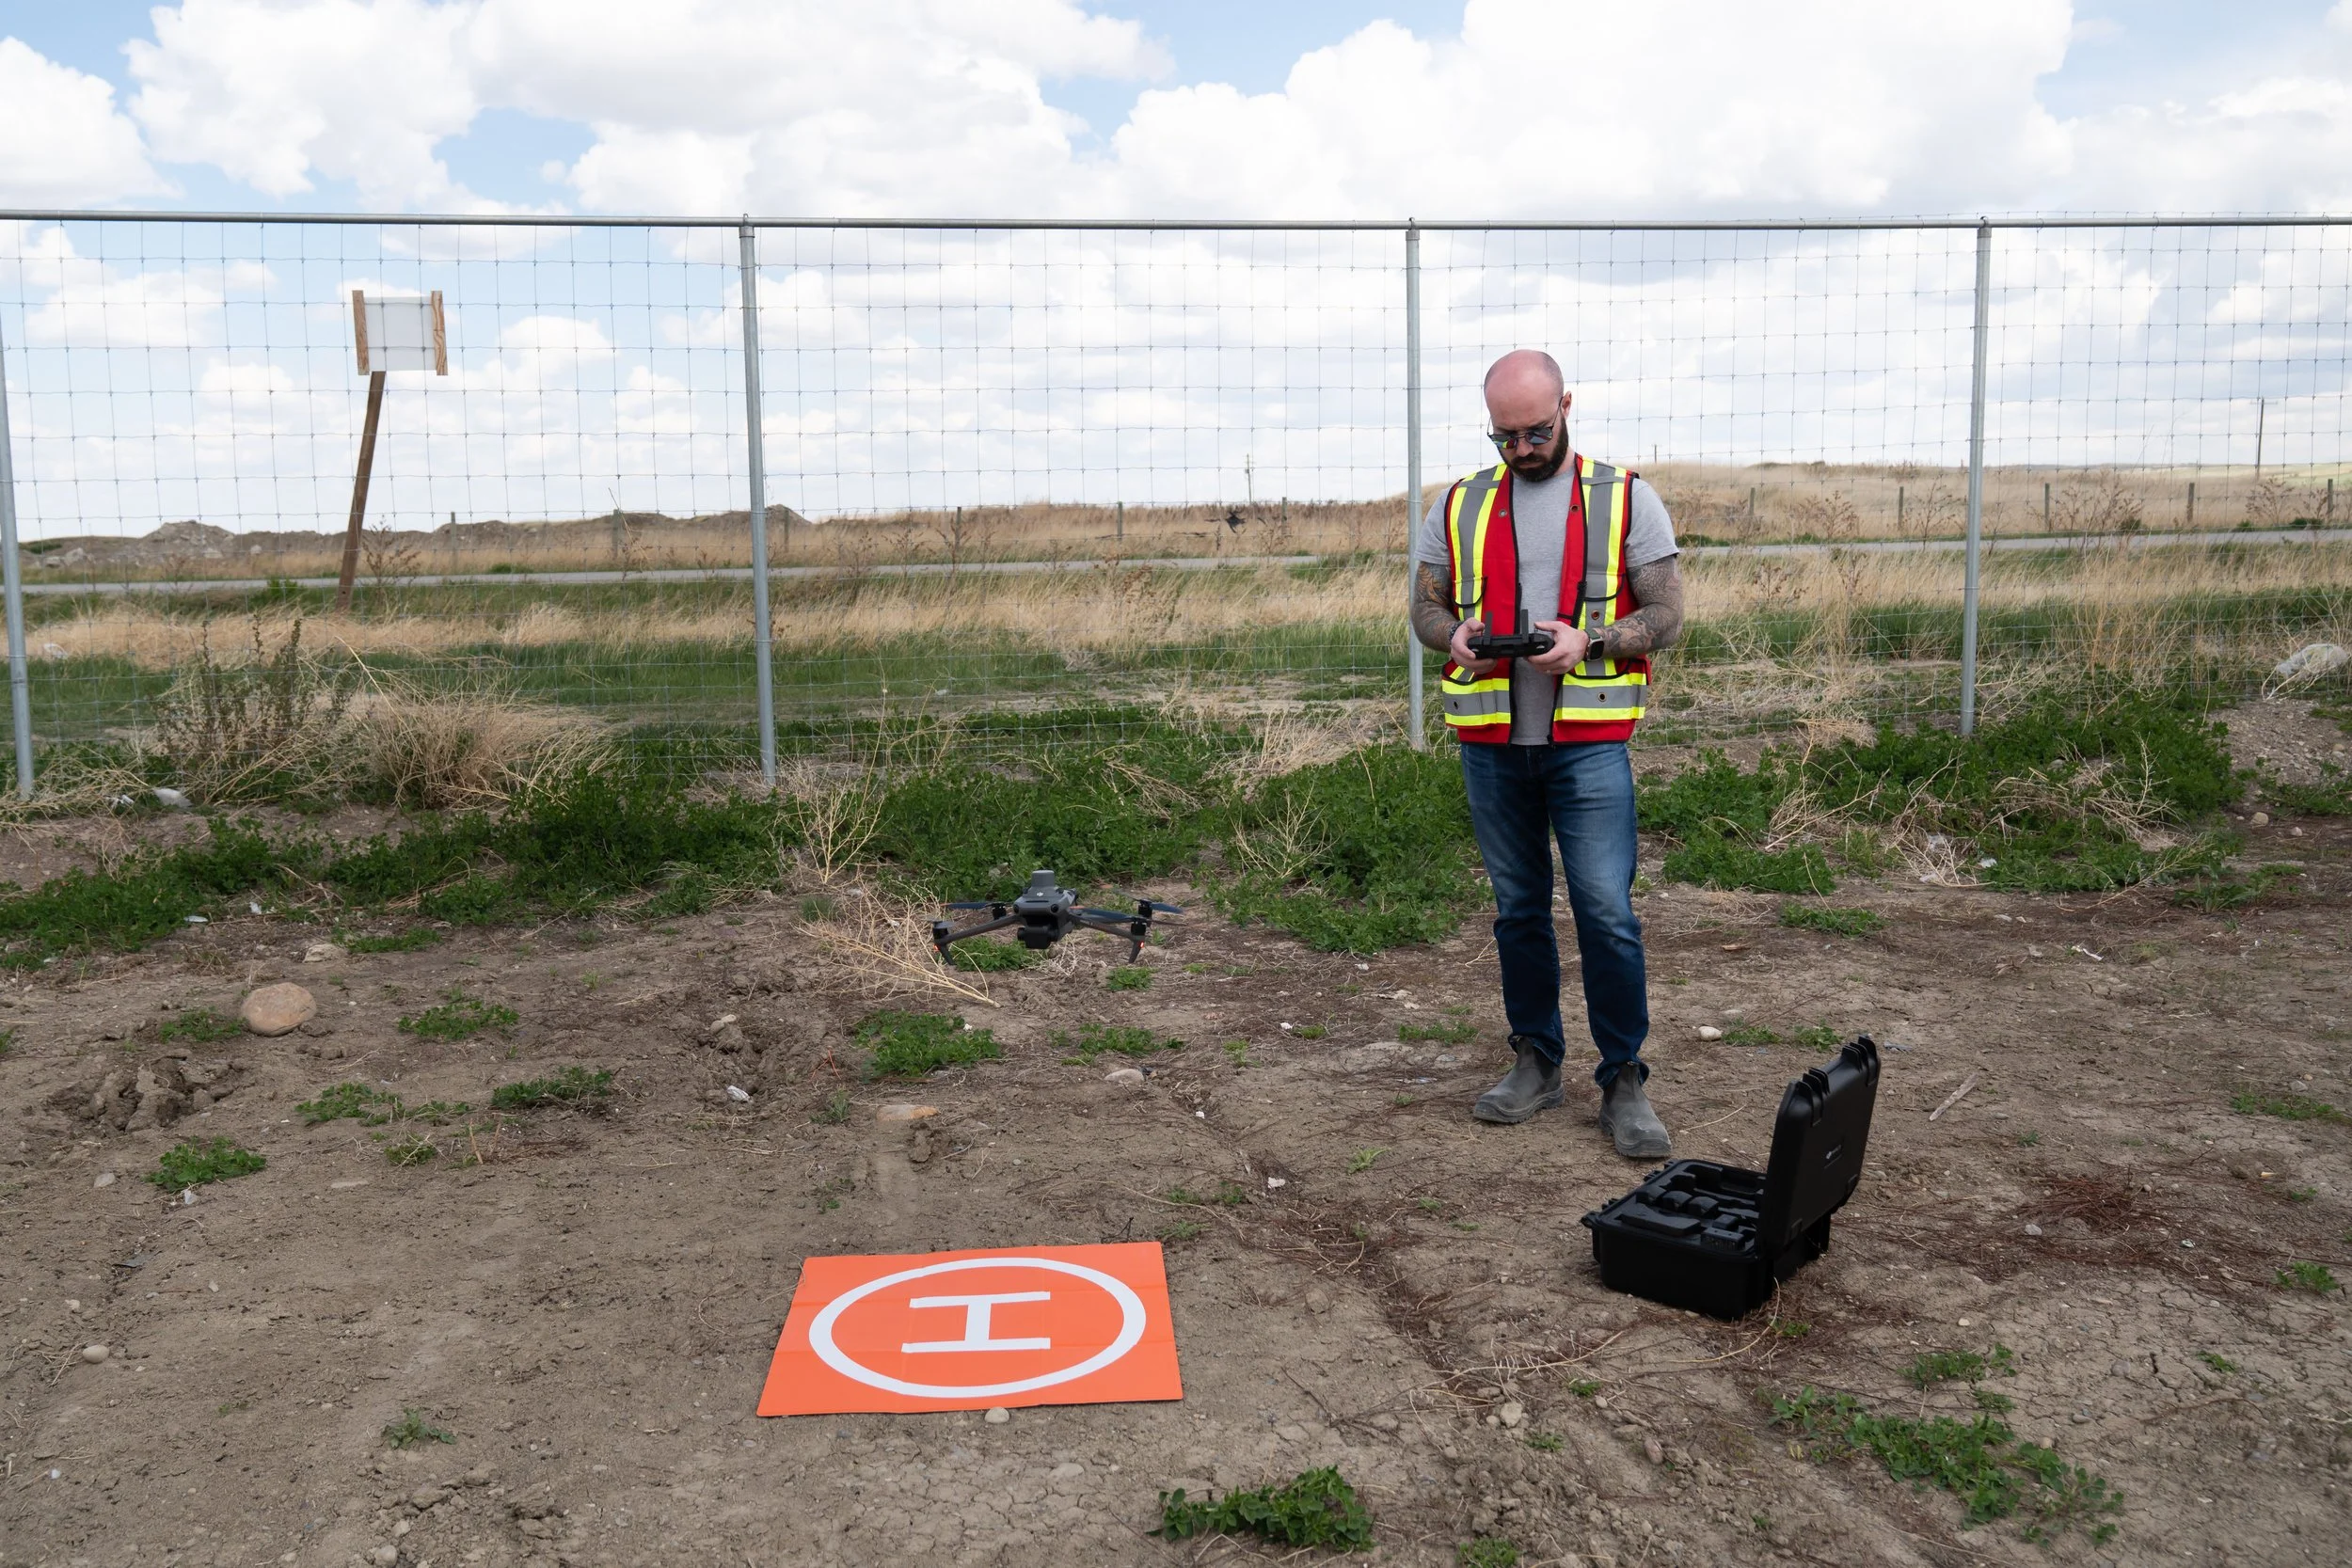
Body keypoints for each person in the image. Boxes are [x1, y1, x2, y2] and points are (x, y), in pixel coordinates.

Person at [1408, 350, 1684, 1158]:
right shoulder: (1458, 503)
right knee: (1519, 910)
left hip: (1589, 745)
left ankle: (1623, 1077)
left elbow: (1667, 611)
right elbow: (1424, 607)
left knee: (1606, 911)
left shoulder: (1627, 497)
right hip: (1493, 747)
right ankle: (1535, 1058)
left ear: (1567, 403)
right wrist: (1453, 635)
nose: (1523, 449)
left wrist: (1593, 640)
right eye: (1506, 437)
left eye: (1536, 431)